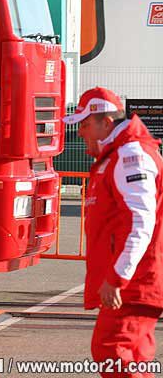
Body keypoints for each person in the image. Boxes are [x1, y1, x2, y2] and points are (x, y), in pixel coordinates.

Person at [63, 87, 163, 377]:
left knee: (111, 349)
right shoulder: (121, 153)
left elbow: (140, 221)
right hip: (133, 279)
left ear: (105, 122)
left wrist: (118, 277)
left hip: (134, 281)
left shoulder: (130, 154)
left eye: (84, 124)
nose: (80, 133)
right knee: (129, 355)